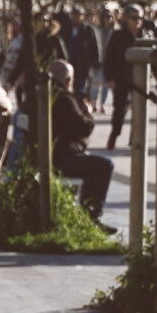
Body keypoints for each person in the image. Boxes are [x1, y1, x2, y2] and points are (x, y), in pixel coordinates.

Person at [30, 59, 112, 219]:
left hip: (40, 156)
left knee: (91, 164)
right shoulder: (64, 99)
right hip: (59, 159)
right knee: (104, 166)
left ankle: (84, 213)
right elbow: (83, 128)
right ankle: (90, 216)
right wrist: (88, 112)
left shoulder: (38, 94)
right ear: (68, 80)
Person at [103, 6, 141, 150]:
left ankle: (136, 138)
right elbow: (109, 57)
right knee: (119, 110)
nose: (137, 21)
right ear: (126, 19)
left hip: (140, 79)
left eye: (140, 18)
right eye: (134, 18)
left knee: (139, 110)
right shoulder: (118, 35)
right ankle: (114, 134)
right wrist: (110, 78)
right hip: (121, 78)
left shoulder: (146, 34)